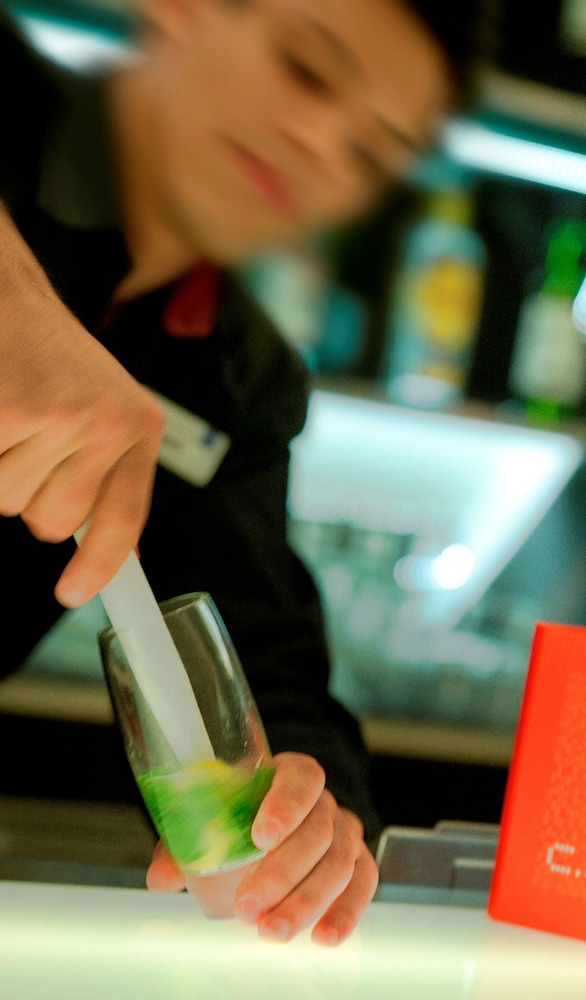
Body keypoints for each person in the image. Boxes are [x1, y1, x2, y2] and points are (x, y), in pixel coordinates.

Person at [0, 0, 474, 945]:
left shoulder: (243, 378)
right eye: (307, 67)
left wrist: (309, 819)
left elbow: (264, 663)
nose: (324, 147)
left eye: (371, 151)